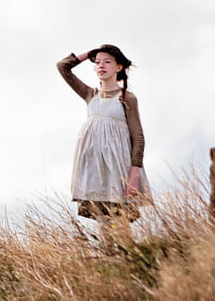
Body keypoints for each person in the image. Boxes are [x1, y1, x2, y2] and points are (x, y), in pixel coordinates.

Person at [57, 45, 150, 234]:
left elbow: (138, 137)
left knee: (120, 221)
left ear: (119, 67)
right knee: (104, 222)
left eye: (107, 61)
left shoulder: (127, 98)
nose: (101, 65)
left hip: (119, 167)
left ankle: (127, 259)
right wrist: (88, 54)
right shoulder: (90, 94)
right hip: (94, 167)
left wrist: (134, 174)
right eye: (97, 62)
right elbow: (62, 67)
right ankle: (109, 259)